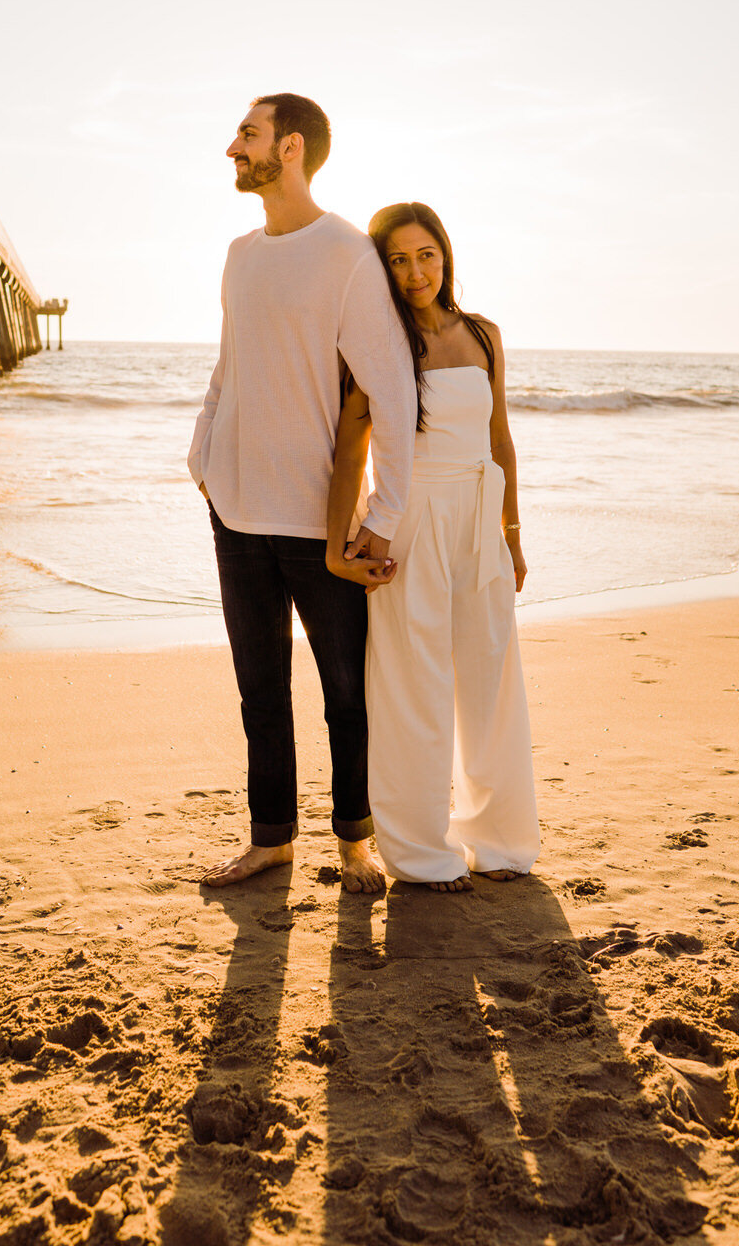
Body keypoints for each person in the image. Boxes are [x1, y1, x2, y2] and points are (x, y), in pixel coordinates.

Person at [189, 95, 417, 892]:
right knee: (260, 692)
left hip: (319, 525)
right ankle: (270, 840)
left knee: (344, 694)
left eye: (246, 135)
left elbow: (392, 396)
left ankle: (354, 840)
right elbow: (228, 367)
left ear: (289, 148)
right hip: (234, 511)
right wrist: (202, 457)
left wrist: (383, 518)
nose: (232, 149)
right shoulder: (238, 253)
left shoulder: (348, 254)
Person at [326, 202, 541, 891]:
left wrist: (511, 532)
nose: (414, 272)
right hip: (408, 519)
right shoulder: (378, 345)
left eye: (425, 254)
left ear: (444, 255)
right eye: (396, 259)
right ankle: (421, 855)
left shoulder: (483, 334)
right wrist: (343, 543)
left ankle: (501, 842)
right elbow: (350, 446)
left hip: (478, 517)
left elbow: (499, 439)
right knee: (412, 685)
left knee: (490, 682)